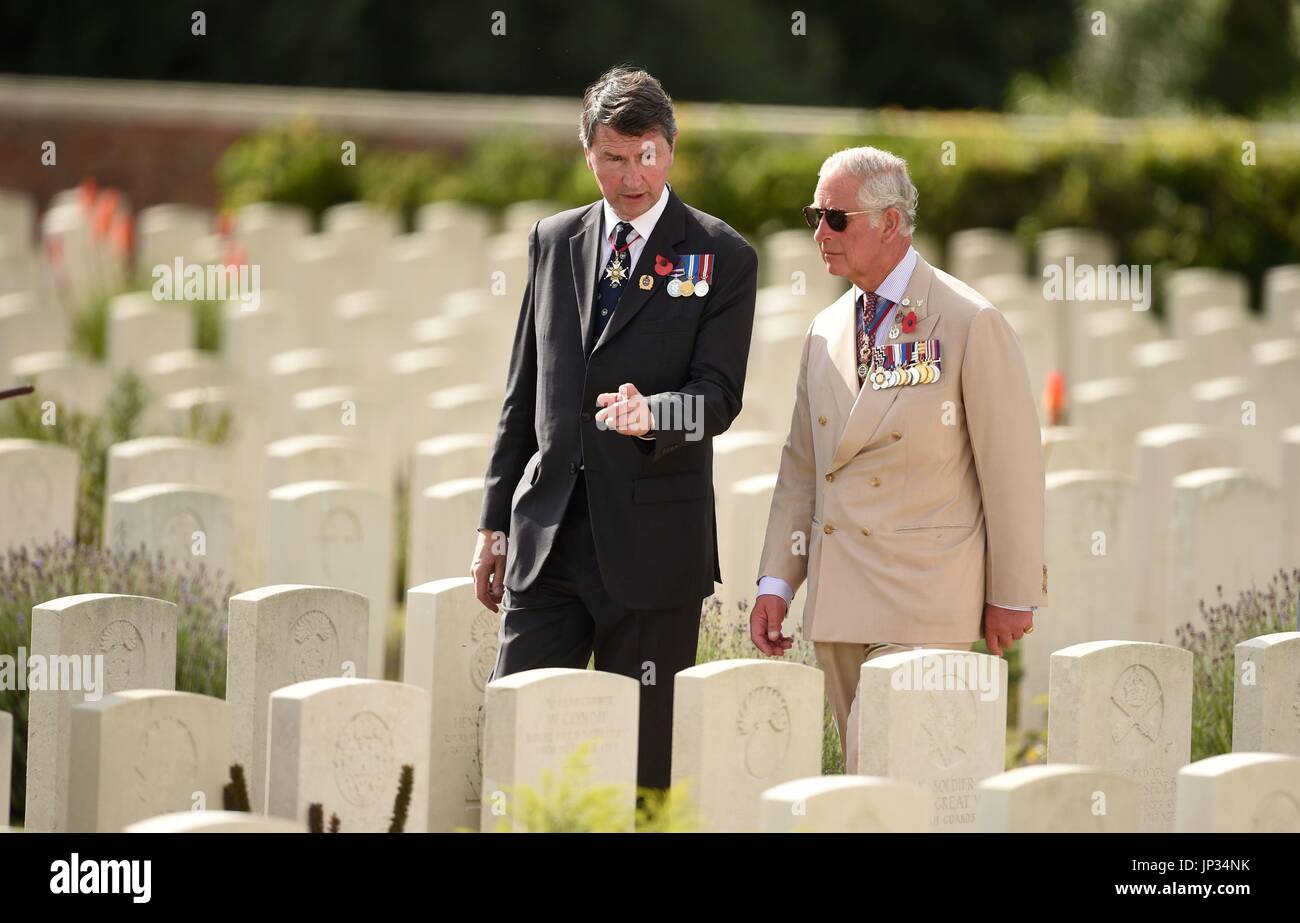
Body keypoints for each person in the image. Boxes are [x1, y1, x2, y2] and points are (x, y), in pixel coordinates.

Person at [471, 65, 759, 790]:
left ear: (670, 149)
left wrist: (655, 413)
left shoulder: (721, 255)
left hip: (654, 552)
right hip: (550, 543)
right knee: (520, 743)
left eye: (647, 155)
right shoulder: (553, 239)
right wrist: (493, 522)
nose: (632, 176)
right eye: (614, 157)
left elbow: (719, 398)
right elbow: (522, 395)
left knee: (645, 770)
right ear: (588, 154)